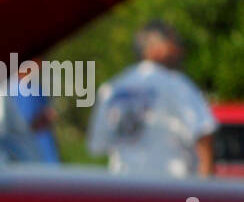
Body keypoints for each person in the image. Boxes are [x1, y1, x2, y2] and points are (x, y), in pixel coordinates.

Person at [86, 21, 217, 176]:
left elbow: (98, 145)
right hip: (170, 191)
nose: (179, 50)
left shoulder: (112, 88)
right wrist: (203, 192)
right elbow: (204, 134)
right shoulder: (176, 83)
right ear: (155, 48)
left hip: (123, 190)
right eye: (173, 43)